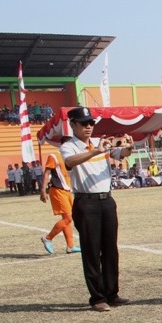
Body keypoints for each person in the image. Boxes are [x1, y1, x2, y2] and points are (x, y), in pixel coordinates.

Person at [60, 106, 133, 312]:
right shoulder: (69, 146)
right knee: (92, 250)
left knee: (110, 249)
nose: (89, 127)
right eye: (84, 123)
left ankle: (112, 293)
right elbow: (68, 162)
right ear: (73, 124)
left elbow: (121, 153)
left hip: (106, 201)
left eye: (91, 123)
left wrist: (130, 147)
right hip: (86, 202)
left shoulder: (100, 141)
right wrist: (94, 151)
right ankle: (97, 297)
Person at [39, 140, 80, 255]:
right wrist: (43, 190)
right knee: (68, 218)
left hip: (67, 190)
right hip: (57, 190)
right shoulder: (54, 156)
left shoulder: (71, 158)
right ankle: (48, 238)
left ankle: (70, 246)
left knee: (68, 218)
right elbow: (47, 173)